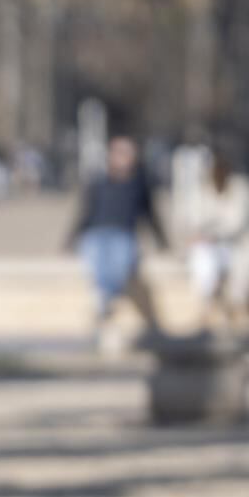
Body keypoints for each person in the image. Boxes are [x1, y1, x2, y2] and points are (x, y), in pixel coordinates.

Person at [66, 135, 167, 352]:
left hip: (124, 234)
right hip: (96, 234)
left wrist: (162, 241)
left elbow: (150, 215)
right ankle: (106, 302)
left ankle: (104, 303)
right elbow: (84, 213)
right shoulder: (98, 182)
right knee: (98, 261)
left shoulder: (139, 184)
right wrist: (70, 240)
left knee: (121, 263)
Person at [185, 156, 249, 334]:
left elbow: (237, 223)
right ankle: (205, 309)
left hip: (241, 245)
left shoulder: (240, 189)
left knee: (241, 272)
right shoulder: (204, 191)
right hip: (215, 246)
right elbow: (197, 219)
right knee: (203, 258)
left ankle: (235, 310)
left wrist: (213, 234)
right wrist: (202, 235)